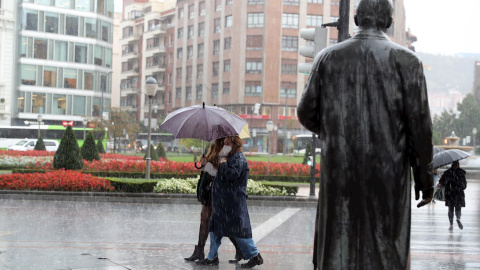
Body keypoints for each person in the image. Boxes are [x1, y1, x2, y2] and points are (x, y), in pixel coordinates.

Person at [296, 0, 433, 269]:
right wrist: (425, 179)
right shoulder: (409, 62)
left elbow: (306, 113)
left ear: (357, 19)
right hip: (388, 176)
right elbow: (421, 129)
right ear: (390, 21)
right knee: (385, 250)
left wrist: (337, 132)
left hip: (340, 173)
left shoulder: (327, 58)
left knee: (339, 244)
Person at [197, 136, 263, 268]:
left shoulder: (238, 158)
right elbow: (219, 174)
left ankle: (255, 256)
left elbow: (232, 175)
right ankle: (212, 257)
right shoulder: (230, 158)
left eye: (228, 140)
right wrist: (207, 165)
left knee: (240, 233)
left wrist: (222, 164)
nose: (225, 142)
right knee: (215, 230)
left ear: (234, 143)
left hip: (231, 203)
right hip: (223, 203)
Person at [184, 138, 244, 263]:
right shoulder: (213, 147)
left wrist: (208, 165)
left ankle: (235, 250)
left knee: (219, 223)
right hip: (208, 188)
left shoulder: (227, 149)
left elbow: (221, 171)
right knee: (205, 220)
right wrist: (205, 162)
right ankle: (200, 250)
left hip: (216, 190)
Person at [437, 161, 467, 230]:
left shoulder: (447, 172)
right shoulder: (461, 172)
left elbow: (442, 182)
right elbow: (464, 185)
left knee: (450, 209)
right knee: (458, 208)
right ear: (458, 165)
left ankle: (451, 224)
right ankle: (458, 218)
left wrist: (442, 181)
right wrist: (459, 187)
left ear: (451, 164)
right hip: (459, 193)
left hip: (450, 193)